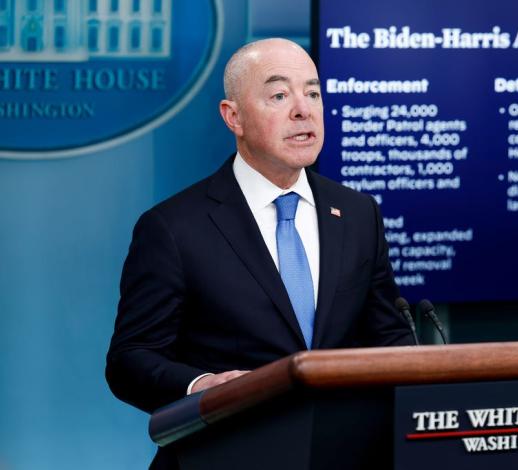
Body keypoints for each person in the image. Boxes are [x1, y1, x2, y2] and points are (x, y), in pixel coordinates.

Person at [106, 38, 412, 422]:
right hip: (230, 446)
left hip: (342, 449)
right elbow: (130, 359)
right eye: (280, 95)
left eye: (313, 93)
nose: (303, 111)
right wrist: (200, 386)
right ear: (233, 117)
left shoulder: (357, 212)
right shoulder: (172, 227)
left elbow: (390, 337)